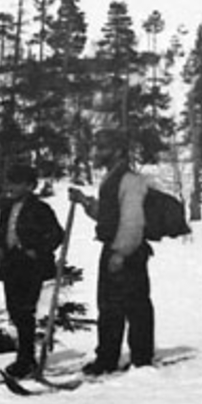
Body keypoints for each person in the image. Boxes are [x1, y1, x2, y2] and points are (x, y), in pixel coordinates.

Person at [69, 128, 155, 376]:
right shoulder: (112, 179)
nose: (98, 152)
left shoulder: (130, 180)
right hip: (113, 248)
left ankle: (141, 359)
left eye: (103, 147)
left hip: (127, 251)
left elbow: (132, 221)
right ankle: (107, 358)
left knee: (134, 306)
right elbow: (108, 215)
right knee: (109, 307)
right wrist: (85, 202)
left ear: (117, 150)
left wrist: (121, 252)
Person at [0, 163, 64, 379]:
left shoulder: (40, 209)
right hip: (12, 265)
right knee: (15, 311)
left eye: (17, 183)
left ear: (30, 186)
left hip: (31, 266)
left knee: (24, 311)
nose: (11, 187)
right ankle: (24, 357)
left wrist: (37, 250)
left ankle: (26, 358)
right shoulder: (7, 208)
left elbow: (56, 235)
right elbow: (1, 232)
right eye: (10, 182)